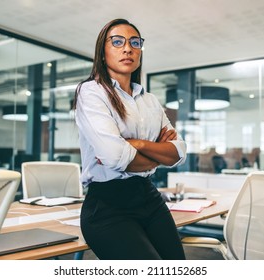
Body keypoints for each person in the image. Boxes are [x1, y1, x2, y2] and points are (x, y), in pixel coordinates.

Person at [74, 18, 187, 260]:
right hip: (107, 206)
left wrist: (138, 145)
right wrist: (158, 155)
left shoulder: (150, 100)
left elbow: (178, 152)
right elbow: (115, 156)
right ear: (102, 53)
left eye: (135, 42)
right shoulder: (91, 92)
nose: (128, 48)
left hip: (149, 198)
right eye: (117, 42)